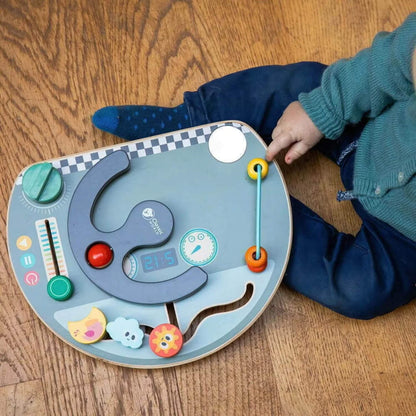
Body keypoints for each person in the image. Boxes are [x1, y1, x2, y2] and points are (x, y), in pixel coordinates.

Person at [92, 13, 416, 319]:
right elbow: (391, 62)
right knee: (302, 84)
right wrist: (322, 109)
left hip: (402, 236)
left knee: (359, 289)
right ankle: (189, 121)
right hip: (375, 126)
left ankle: (251, 216)